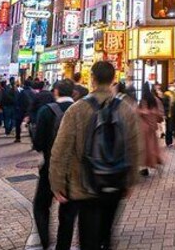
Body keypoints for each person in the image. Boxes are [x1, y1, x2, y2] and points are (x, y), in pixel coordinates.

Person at [49, 61, 141, 250]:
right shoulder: (126, 109)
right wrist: (130, 180)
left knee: (88, 238)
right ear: (114, 79)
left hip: (85, 183)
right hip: (115, 182)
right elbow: (133, 148)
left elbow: (61, 149)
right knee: (106, 234)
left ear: (92, 79)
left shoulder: (77, 109)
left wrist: (57, 183)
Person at [32, 79, 76, 249]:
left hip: (50, 166)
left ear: (56, 91)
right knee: (68, 212)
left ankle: (45, 241)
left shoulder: (46, 111)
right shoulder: (81, 109)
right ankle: (62, 246)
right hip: (73, 168)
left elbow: (38, 142)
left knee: (41, 206)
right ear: (73, 92)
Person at [138, 82, 165, 176]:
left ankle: (145, 168)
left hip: (144, 128)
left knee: (145, 149)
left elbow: (141, 113)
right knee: (153, 147)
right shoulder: (154, 99)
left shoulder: (143, 100)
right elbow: (159, 113)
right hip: (152, 128)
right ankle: (156, 162)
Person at [15, 78, 35, 143]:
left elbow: (17, 101)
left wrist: (17, 108)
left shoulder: (21, 92)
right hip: (30, 111)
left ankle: (18, 137)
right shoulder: (33, 92)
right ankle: (33, 140)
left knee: (18, 124)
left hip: (21, 110)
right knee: (31, 125)